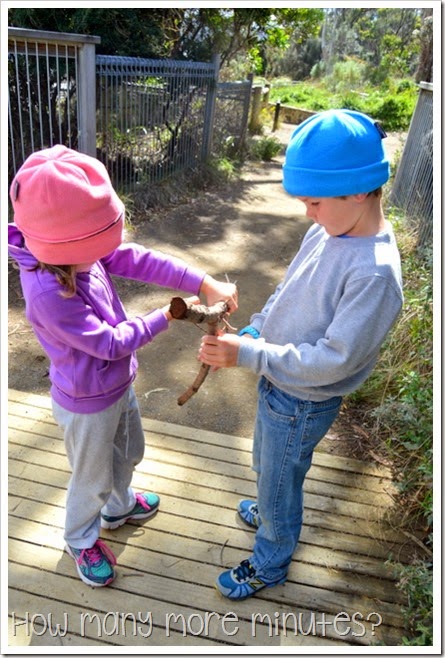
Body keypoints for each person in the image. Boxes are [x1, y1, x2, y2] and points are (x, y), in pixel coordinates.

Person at [8, 144, 238, 588]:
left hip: (117, 386)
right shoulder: (47, 295)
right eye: (98, 244)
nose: (106, 252)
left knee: (129, 451)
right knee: (90, 477)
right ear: (66, 242)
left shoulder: (73, 250)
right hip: (85, 403)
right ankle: (80, 538)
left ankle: (119, 507)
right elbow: (111, 343)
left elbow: (135, 257)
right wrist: (166, 316)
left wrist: (203, 282)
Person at [199, 109, 403, 600]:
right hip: (281, 383)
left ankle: (270, 559)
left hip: (303, 401)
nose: (306, 212)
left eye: (313, 201)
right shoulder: (329, 229)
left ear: (357, 190)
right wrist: (256, 330)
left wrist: (249, 354)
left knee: (280, 475)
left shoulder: (374, 275)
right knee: (268, 463)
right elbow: (287, 291)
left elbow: (334, 359)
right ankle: (270, 504)